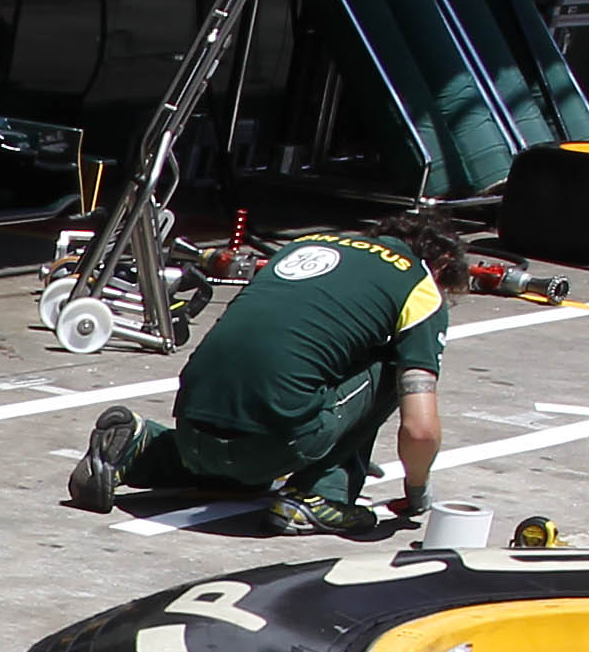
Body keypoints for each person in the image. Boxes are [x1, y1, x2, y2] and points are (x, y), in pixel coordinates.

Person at [68, 218, 460, 535]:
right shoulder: (419, 284)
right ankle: (320, 494)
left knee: (245, 467)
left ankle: (141, 446)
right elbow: (420, 430)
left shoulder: (305, 245)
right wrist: (418, 492)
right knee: (398, 361)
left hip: (194, 431)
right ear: (441, 265)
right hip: (272, 442)